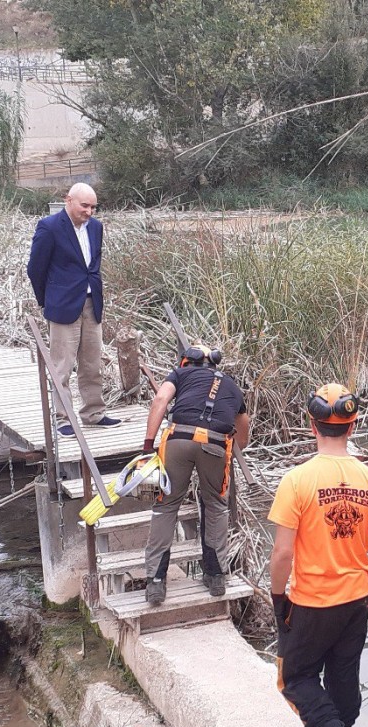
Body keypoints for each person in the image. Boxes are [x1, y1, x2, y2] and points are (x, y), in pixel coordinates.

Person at [268, 382, 368, 727]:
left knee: (296, 677)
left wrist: (278, 600)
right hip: (356, 600)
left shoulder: (297, 481)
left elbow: (282, 553)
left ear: (313, 426)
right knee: (344, 675)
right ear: (353, 425)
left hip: (311, 601)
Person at [140, 344, 250, 605]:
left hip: (177, 438)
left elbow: (160, 400)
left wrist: (147, 445)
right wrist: (235, 451)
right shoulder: (232, 385)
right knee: (216, 506)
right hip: (215, 443)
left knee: (164, 507)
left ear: (185, 362)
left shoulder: (180, 375)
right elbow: (243, 424)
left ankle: (155, 582)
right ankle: (215, 577)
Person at [26, 182, 121, 435]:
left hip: (92, 304)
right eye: (85, 205)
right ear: (69, 200)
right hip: (62, 306)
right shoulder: (50, 227)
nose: (89, 211)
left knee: (92, 364)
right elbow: (35, 268)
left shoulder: (96, 228)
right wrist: (47, 301)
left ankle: (94, 413)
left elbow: (94, 265)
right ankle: (63, 419)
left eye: (93, 207)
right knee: (62, 366)